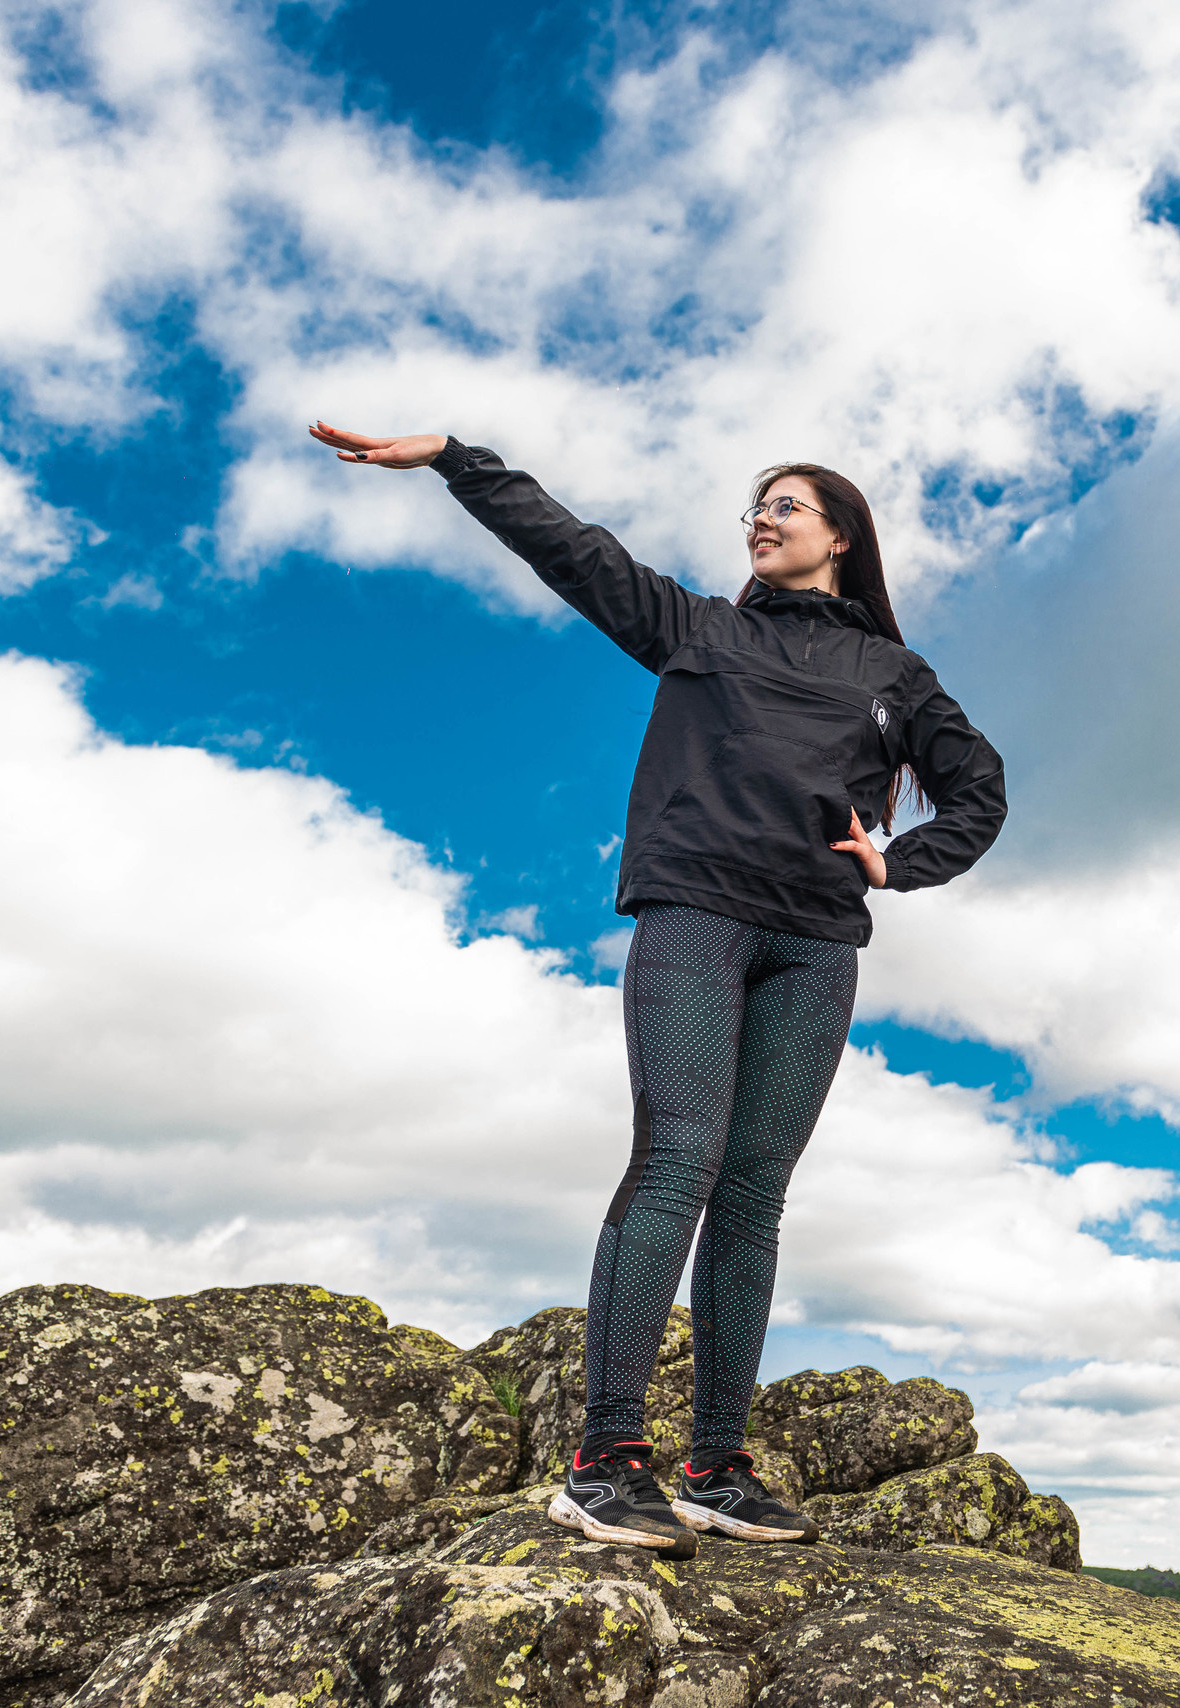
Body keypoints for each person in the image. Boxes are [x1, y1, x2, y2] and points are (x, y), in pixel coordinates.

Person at [309, 420, 1006, 1556]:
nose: (762, 520)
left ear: (839, 536)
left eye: (786, 505)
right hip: (696, 913)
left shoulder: (895, 676)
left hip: (816, 944)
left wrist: (900, 861)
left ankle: (717, 1467)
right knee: (680, 1157)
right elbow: (572, 548)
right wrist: (453, 458)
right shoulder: (701, 630)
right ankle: (604, 1459)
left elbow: (980, 790)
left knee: (754, 1193)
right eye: (756, 507)